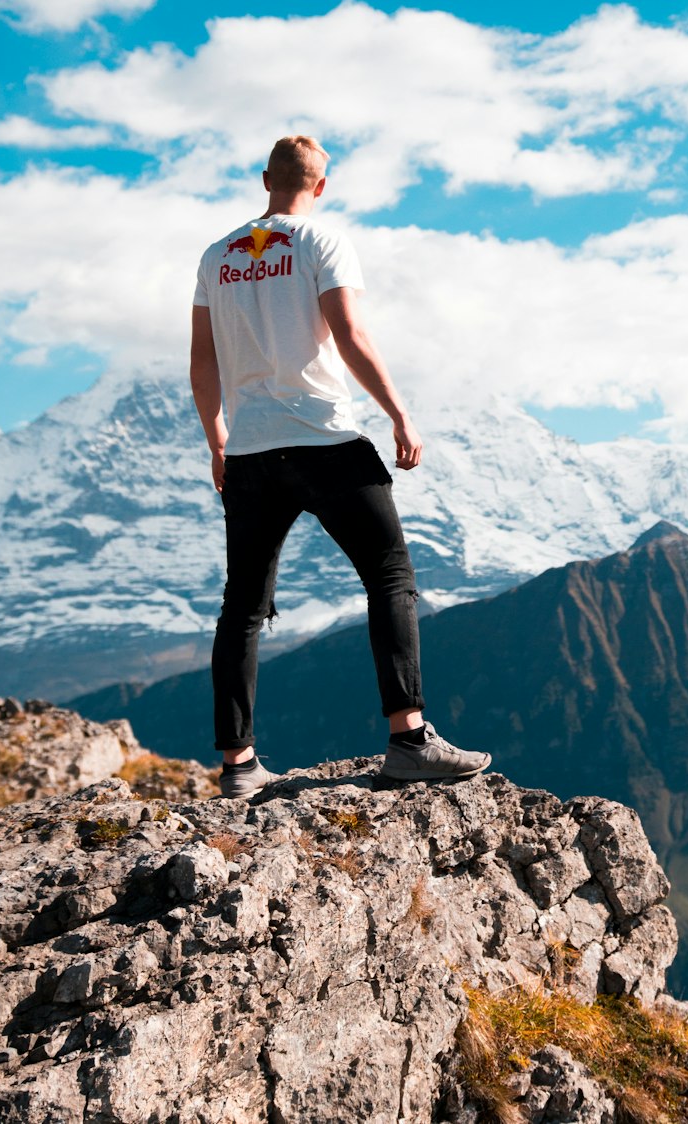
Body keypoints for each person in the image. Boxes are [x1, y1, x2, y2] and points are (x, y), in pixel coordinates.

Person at [190, 134, 491, 799]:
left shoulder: (218, 256)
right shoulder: (322, 242)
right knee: (389, 577)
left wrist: (218, 442)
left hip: (250, 451)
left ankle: (237, 766)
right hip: (324, 439)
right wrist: (399, 413)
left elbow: (202, 363)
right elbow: (350, 334)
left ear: (265, 177)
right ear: (320, 186)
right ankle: (409, 739)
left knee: (242, 607)